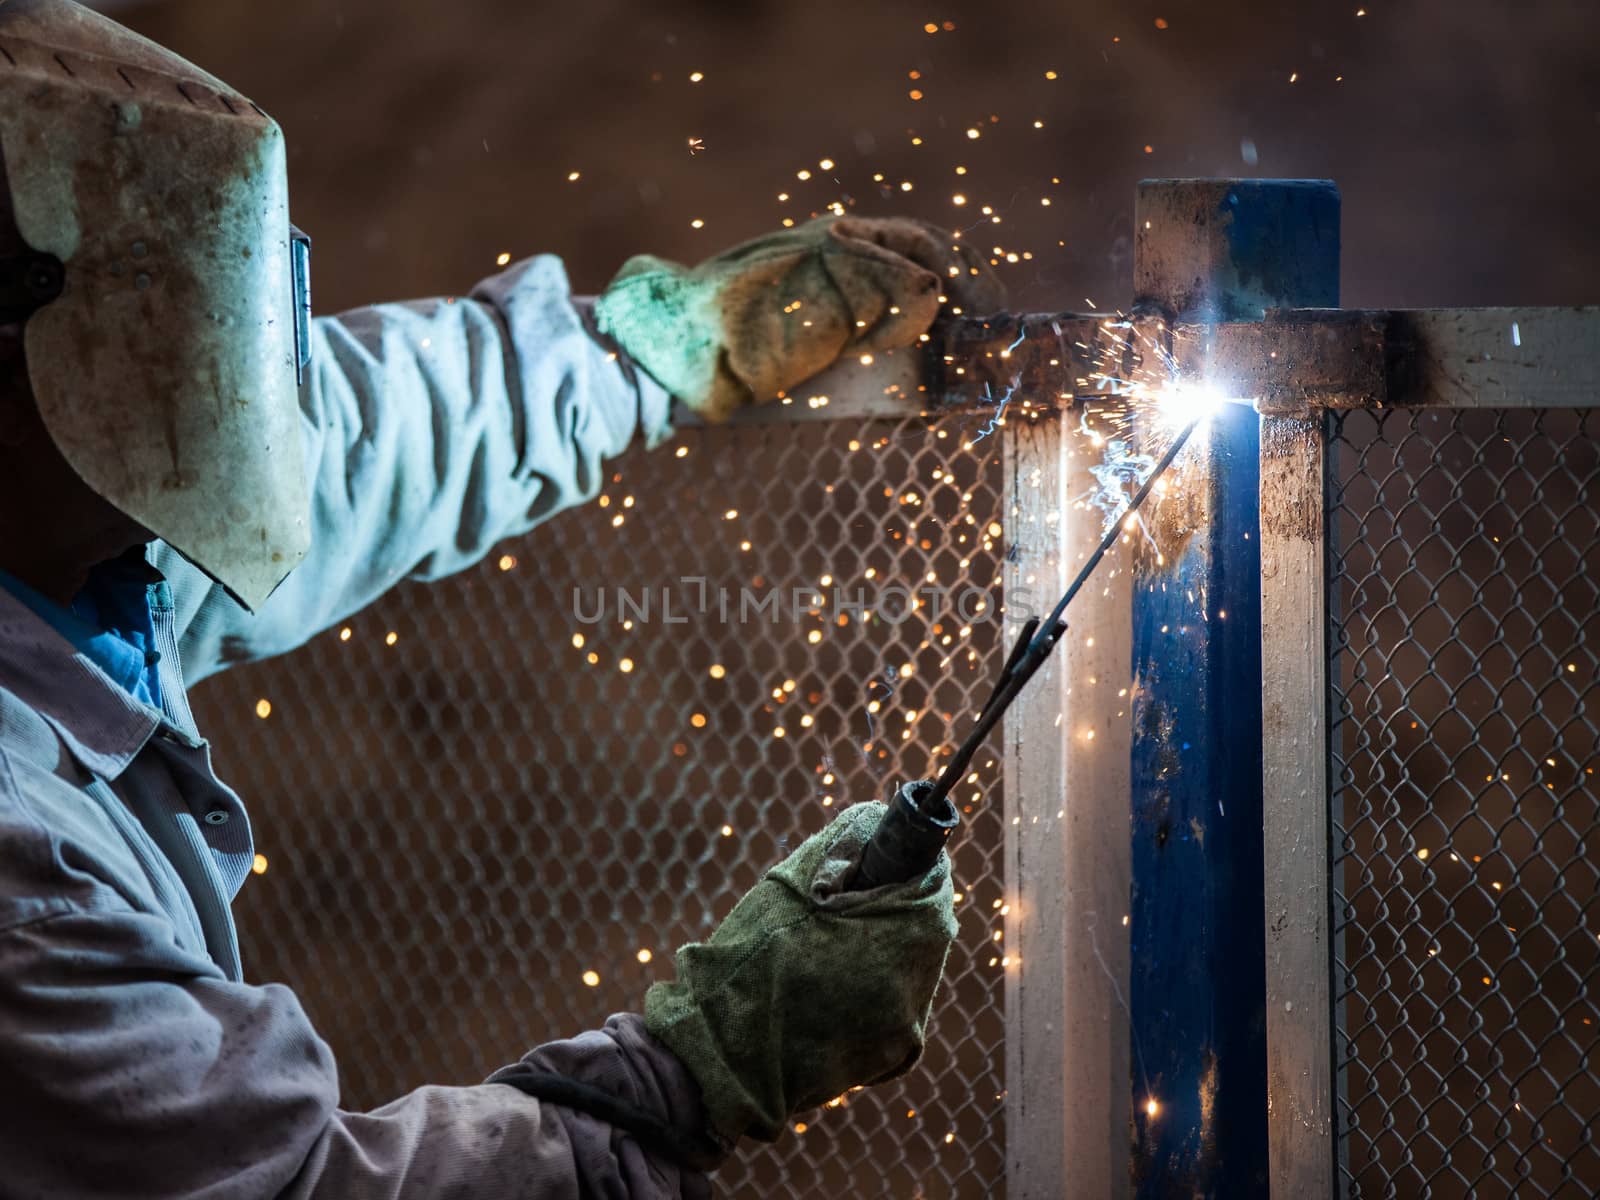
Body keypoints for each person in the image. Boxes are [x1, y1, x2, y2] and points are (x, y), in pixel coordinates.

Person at [0, 1, 1005, 1196]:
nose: (219, 415)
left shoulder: (76, 553)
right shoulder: (22, 872)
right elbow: (295, 1186)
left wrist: (646, 353)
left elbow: (362, 439)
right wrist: (683, 1076)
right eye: (163, 358)